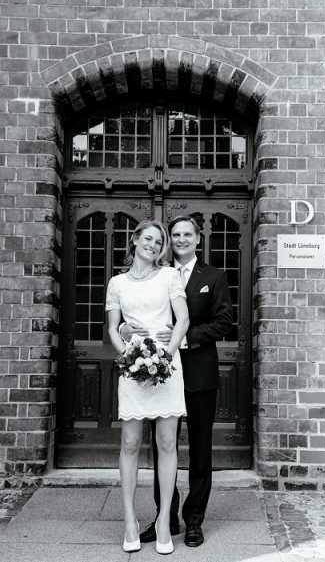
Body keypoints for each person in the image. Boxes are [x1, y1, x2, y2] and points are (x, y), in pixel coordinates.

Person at [120, 215, 234, 548]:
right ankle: (164, 519)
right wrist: (127, 329)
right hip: (157, 374)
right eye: (176, 235)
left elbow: (225, 322)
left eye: (187, 234)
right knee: (162, 447)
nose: (181, 239)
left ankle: (194, 519)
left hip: (198, 372)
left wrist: (186, 339)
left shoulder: (212, 277)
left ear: (198, 239)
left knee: (200, 449)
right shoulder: (157, 274)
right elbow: (136, 312)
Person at [106, 220, 190, 555]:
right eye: (148, 239)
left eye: (160, 241)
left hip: (167, 365)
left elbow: (182, 320)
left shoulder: (170, 276)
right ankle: (129, 521)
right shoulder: (116, 283)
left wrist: (165, 358)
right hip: (133, 365)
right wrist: (127, 352)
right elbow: (113, 328)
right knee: (130, 442)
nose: (154, 245)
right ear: (135, 240)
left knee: (167, 442)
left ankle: (164, 522)